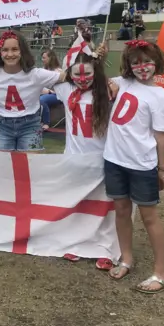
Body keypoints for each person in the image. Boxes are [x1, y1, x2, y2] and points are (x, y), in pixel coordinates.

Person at [104, 40, 164, 293]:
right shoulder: (123, 83)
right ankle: (126, 258)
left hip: (142, 164)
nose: (142, 67)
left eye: (146, 61)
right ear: (128, 66)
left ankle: (161, 271)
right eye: (136, 62)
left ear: (157, 62)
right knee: (121, 210)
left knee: (149, 217)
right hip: (114, 159)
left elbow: (160, 136)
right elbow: (103, 83)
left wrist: (161, 169)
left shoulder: (160, 96)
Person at [52, 50, 113, 270]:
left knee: (104, 206)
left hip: (102, 159)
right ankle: (76, 243)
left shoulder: (107, 92)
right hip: (74, 159)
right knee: (77, 203)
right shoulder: (66, 89)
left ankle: (105, 247)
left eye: (87, 73)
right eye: (76, 74)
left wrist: (108, 81)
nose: (82, 78)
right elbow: (46, 73)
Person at [39, 49, 62, 130]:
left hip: (56, 95)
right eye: (42, 58)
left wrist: (48, 91)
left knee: (41, 100)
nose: (42, 60)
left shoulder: (58, 72)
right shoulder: (42, 70)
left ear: (50, 58)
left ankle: (46, 123)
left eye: (44, 58)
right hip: (45, 92)